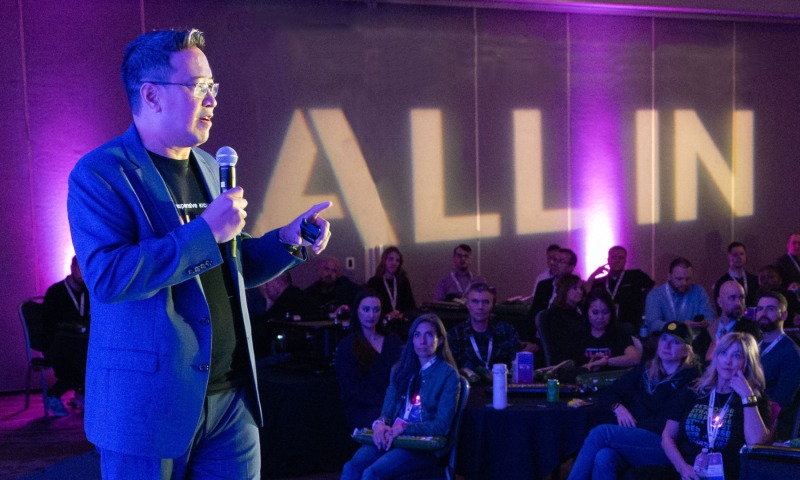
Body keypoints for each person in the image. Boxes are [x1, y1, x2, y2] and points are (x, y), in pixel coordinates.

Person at [67, 28, 331, 477]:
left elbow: (229, 262)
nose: (212, 100)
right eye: (198, 87)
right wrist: (205, 234)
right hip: (148, 406)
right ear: (151, 95)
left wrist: (288, 241)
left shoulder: (209, 166)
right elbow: (108, 277)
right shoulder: (100, 173)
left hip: (229, 398)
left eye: (213, 87)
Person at [567, 321, 700, 480]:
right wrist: (618, 407)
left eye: (675, 342)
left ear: (686, 351)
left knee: (602, 433)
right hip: (634, 438)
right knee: (604, 456)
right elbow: (611, 391)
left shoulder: (690, 380)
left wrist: (629, 428)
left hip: (666, 446)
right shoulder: (646, 369)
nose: (667, 345)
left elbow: (664, 423)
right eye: (664, 339)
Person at [340, 314, 460, 480]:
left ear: (439, 341)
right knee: (351, 468)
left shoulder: (448, 375)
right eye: (417, 335)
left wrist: (403, 429)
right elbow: (387, 412)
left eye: (429, 335)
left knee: (371, 474)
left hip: (421, 444)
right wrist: (380, 425)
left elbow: (442, 426)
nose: (422, 341)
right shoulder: (399, 370)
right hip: (393, 435)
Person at [661, 332, 771, 480]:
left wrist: (747, 398)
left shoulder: (756, 399)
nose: (728, 361)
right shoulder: (694, 390)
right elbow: (667, 436)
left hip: (726, 474)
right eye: (724, 353)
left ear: (747, 363)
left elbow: (756, 446)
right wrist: (682, 468)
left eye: (736, 356)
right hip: (686, 470)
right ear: (716, 357)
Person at [335, 289, 403, 430]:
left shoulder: (392, 340)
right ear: (357, 311)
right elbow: (350, 389)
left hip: (393, 405)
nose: (371, 315)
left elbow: (402, 375)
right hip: (364, 409)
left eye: (376, 310)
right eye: (366, 309)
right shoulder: (347, 346)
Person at [447, 283, 533, 382]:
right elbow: (451, 371)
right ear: (468, 305)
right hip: (469, 390)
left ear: (492, 305)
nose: (480, 307)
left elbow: (516, 365)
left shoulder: (506, 330)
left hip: (503, 386)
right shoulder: (455, 334)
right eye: (475, 301)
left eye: (485, 302)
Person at [40, 256, 91, 416]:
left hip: (80, 345)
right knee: (86, 362)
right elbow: (49, 327)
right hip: (58, 346)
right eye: (80, 268)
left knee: (90, 356)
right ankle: (63, 393)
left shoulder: (88, 294)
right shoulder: (56, 292)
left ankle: (70, 393)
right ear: (72, 268)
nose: (84, 274)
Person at [755, 291, 800, 440]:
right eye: (760, 309)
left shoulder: (791, 353)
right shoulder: (755, 345)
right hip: (748, 413)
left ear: (784, 315)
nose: (763, 313)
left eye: (770, 309)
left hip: (770, 427)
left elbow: (781, 404)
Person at [585, 246, 654, 330]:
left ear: (625, 261)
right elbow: (586, 294)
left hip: (630, 323)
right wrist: (594, 274)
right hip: (604, 323)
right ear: (608, 260)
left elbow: (654, 290)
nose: (617, 260)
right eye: (614, 257)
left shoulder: (636, 275)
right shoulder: (600, 281)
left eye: (621, 258)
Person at [692, 280, 761, 364]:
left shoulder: (751, 331)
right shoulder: (706, 333)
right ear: (720, 302)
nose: (738, 303)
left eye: (741, 297)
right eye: (732, 298)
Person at [644, 257, 716, 334]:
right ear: (669, 276)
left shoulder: (699, 292)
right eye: (679, 279)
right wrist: (678, 326)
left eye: (688, 279)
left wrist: (705, 323)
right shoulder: (655, 295)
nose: (684, 283)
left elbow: (710, 318)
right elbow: (653, 324)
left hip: (693, 339)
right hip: (666, 341)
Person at [579, 291, 641, 372]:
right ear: (586, 312)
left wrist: (606, 362)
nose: (600, 317)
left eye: (605, 312)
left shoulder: (620, 332)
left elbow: (635, 358)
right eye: (595, 312)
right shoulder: (578, 332)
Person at [537, 274, 585, 366]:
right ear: (565, 290)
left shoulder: (579, 310)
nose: (580, 292)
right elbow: (564, 344)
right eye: (575, 288)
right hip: (567, 361)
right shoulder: (556, 314)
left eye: (581, 288)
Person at [366, 246, 416, 321]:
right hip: (381, 324)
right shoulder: (374, 282)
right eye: (391, 259)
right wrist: (387, 316)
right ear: (384, 260)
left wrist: (402, 315)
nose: (394, 263)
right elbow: (370, 308)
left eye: (397, 260)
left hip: (401, 323)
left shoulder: (403, 281)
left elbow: (411, 307)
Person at [529, 248, 578, 321]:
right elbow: (534, 314)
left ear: (571, 267)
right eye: (555, 260)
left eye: (561, 261)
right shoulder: (543, 285)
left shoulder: (577, 288)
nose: (555, 264)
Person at [712, 241, 759, 312]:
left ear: (746, 256)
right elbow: (719, 309)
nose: (739, 257)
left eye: (741, 254)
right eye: (735, 254)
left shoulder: (754, 280)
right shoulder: (721, 283)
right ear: (729, 257)